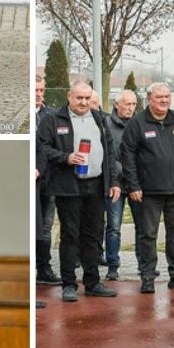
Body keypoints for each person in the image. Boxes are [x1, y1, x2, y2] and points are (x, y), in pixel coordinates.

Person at [36, 80, 120, 302]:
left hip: (96, 184)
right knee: (70, 236)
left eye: (87, 98)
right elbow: (42, 148)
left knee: (93, 236)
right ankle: (69, 284)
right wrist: (67, 158)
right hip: (68, 187)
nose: (83, 102)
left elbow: (110, 152)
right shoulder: (52, 120)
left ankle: (92, 282)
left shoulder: (100, 119)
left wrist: (113, 182)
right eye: (79, 98)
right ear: (69, 97)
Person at [120, 83, 174, 293]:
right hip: (148, 192)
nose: (164, 100)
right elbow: (127, 157)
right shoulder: (137, 124)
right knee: (148, 234)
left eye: (167, 96)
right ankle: (147, 276)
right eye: (159, 97)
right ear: (149, 99)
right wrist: (133, 186)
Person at [100, 89, 137, 281]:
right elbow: (108, 156)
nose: (130, 108)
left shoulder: (140, 124)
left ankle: (144, 263)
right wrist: (115, 179)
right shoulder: (105, 125)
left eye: (133, 104)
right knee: (113, 226)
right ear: (116, 104)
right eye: (127, 104)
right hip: (115, 183)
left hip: (136, 184)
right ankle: (112, 265)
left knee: (143, 226)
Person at [34, 74, 60, 286]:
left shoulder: (51, 115)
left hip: (48, 179)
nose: (38, 95)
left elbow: (53, 146)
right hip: (29, 180)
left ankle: (44, 266)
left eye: (41, 90)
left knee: (46, 225)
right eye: (34, 90)